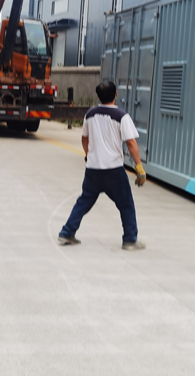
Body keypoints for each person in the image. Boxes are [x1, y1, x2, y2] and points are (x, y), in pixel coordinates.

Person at [58, 80, 147, 251]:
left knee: (84, 202)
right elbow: (131, 143)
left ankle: (67, 232)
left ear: (98, 96)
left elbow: (84, 138)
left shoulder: (90, 114)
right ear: (116, 95)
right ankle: (130, 240)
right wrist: (139, 168)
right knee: (126, 205)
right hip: (114, 170)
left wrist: (88, 154)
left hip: (93, 170)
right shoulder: (122, 116)